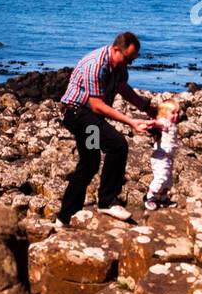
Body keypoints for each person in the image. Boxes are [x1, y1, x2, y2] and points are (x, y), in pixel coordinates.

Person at [57, 31, 156, 225]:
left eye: (132, 61)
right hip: (77, 114)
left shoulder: (118, 66)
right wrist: (131, 122)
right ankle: (107, 201)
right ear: (116, 50)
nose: (129, 64)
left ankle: (65, 217)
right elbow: (97, 105)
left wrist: (146, 107)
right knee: (117, 144)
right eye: (128, 59)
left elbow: (123, 88)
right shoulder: (96, 65)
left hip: (91, 117)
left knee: (90, 162)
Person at [144, 99, 182, 211]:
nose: (176, 115)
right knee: (161, 177)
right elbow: (158, 123)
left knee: (168, 180)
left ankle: (163, 198)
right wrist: (152, 123)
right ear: (164, 114)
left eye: (177, 112)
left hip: (169, 157)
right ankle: (149, 197)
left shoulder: (172, 124)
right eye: (173, 113)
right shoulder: (164, 122)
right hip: (160, 156)